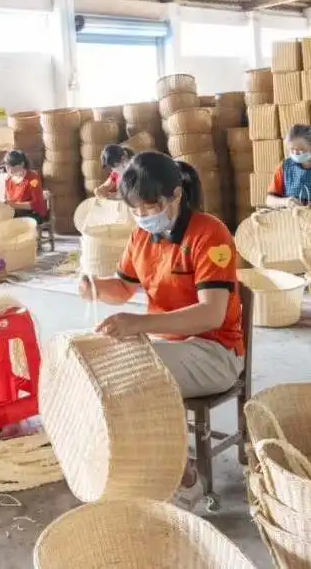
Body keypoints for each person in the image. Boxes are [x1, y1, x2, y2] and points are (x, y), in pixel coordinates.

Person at [76, 151, 245, 511]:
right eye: (135, 210)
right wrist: (94, 286)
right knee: (107, 367)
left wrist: (139, 323)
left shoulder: (209, 234)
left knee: (135, 378)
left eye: (150, 208)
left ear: (175, 195)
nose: (142, 217)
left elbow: (211, 315)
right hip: (167, 347)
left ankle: (186, 478)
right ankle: (156, 466)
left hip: (214, 353)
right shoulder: (141, 235)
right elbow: (123, 288)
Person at [2, 150, 48, 222]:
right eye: (7, 167)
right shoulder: (8, 180)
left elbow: (36, 204)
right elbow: (7, 200)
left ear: (22, 164)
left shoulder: (33, 178)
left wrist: (14, 205)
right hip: (16, 212)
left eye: (13, 166)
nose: (10, 170)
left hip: (32, 213)